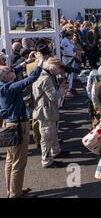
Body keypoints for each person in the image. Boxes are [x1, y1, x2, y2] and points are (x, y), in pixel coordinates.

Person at [0, 51, 44, 198]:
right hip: (18, 126)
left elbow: (14, 70)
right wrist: (40, 61)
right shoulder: (9, 88)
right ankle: (15, 194)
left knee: (10, 160)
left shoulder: (4, 84)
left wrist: (26, 62)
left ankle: (11, 190)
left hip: (9, 124)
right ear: (5, 77)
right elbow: (31, 78)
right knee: (19, 162)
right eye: (9, 70)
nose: (13, 70)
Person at [32, 58, 69, 168]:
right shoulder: (46, 79)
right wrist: (63, 89)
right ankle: (46, 160)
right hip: (45, 111)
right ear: (53, 66)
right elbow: (53, 96)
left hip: (48, 110)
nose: (60, 71)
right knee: (47, 135)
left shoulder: (47, 75)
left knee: (53, 132)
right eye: (59, 68)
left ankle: (55, 151)